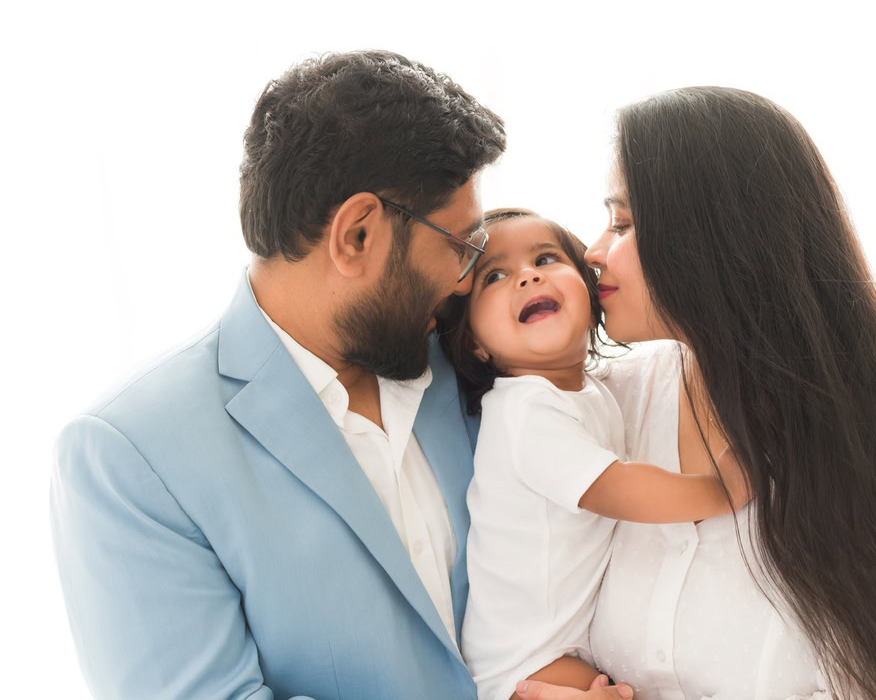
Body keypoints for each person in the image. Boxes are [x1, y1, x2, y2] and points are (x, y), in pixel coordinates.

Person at [50, 49, 582, 700]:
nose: (467, 278)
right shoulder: (129, 458)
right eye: (460, 246)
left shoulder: (475, 359)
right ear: (356, 235)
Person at [519, 87, 876, 700]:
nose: (592, 251)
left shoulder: (860, 471)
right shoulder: (593, 410)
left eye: (622, 223)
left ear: (712, 240)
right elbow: (513, 613)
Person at [437, 209, 734, 700]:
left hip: (559, 653)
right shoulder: (522, 410)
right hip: (524, 668)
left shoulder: (595, 391)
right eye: (496, 275)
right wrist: (720, 491)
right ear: (474, 345)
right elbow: (615, 487)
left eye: (546, 258)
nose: (528, 275)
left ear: (591, 295)